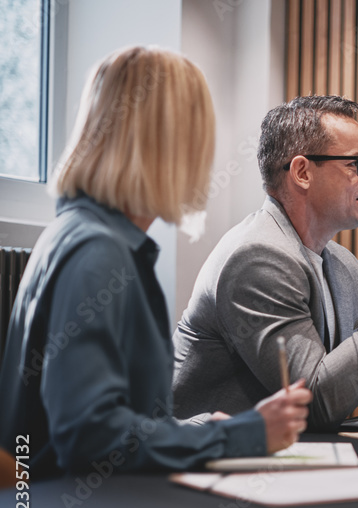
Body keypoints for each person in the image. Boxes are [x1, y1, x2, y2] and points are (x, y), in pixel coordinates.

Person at [0, 47, 312, 477]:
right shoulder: (99, 254)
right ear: (169, 143)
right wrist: (243, 435)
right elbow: (89, 437)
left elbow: (112, 419)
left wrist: (203, 428)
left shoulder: (83, 235)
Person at [172, 95, 358, 429]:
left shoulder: (344, 266)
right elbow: (316, 402)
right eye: (356, 163)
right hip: (204, 465)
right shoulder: (257, 259)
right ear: (301, 172)